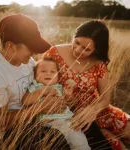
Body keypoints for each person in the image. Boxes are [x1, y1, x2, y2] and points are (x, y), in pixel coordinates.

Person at [0, 14, 70, 150]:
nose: (34, 53)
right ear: (10, 46)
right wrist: (39, 109)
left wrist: (56, 97)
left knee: (83, 129)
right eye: (31, 48)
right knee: (59, 141)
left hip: (41, 115)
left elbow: (39, 85)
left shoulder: (27, 61)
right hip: (13, 131)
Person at [43, 20, 130, 150]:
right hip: (70, 117)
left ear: (96, 49)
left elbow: (106, 98)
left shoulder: (98, 63)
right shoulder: (54, 53)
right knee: (113, 144)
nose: (78, 50)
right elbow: (39, 80)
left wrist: (93, 110)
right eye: (76, 42)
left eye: (86, 49)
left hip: (98, 111)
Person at [22, 57, 91, 150]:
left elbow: (70, 103)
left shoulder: (59, 87)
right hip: (47, 122)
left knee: (79, 140)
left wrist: (68, 96)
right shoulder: (36, 87)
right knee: (74, 139)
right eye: (43, 71)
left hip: (66, 120)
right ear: (35, 75)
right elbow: (25, 101)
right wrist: (43, 91)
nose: (48, 73)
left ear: (58, 76)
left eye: (52, 72)